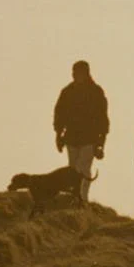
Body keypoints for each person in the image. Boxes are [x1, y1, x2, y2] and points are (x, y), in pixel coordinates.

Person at [53, 60, 110, 203]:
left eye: (80, 73)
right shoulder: (67, 92)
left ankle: (81, 199)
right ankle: (75, 199)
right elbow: (59, 114)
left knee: (82, 169)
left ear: (86, 73)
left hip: (89, 139)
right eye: (75, 73)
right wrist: (58, 135)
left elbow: (102, 118)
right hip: (71, 138)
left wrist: (101, 142)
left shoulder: (96, 92)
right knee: (73, 169)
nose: (77, 76)